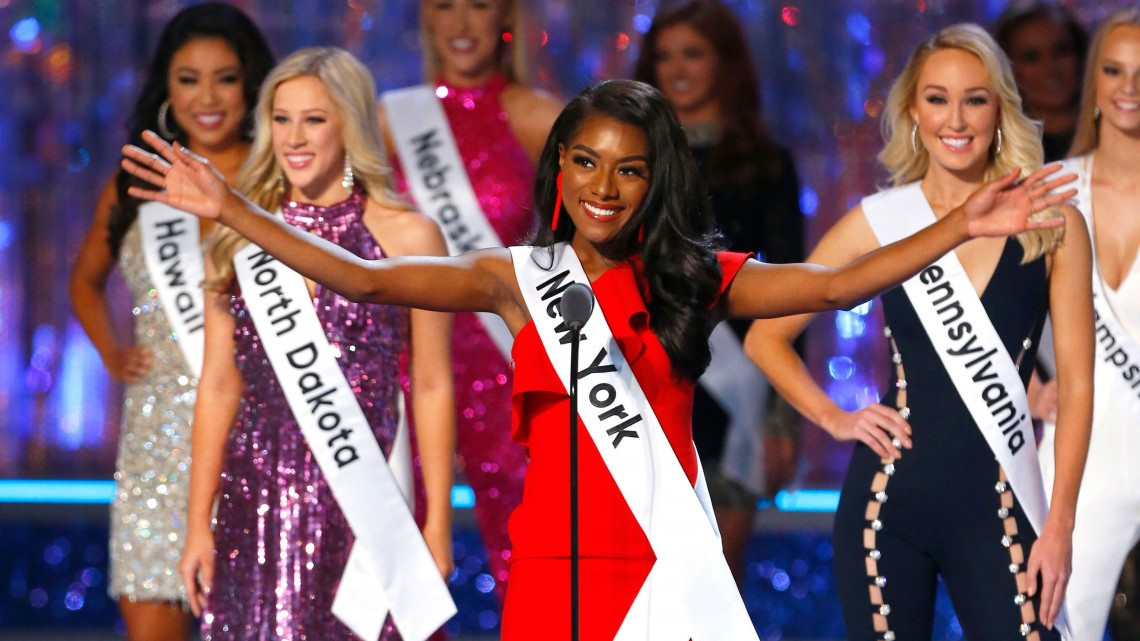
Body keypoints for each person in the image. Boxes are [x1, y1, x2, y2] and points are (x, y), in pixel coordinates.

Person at [121, 78, 1071, 641]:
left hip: (663, 558)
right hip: (549, 563)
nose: (604, 186)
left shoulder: (696, 277)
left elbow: (830, 289)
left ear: (655, 178)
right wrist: (233, 212)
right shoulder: (512, 276)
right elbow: (368, 283)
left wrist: (958, 225)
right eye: (584, 162)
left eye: (628, 167)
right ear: (560, 169)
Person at [745, 24, 1091, 640]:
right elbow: (764, 337)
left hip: (1002, 504)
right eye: (937, 98)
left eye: (975, 99)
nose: (955, 119)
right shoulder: (882, 221)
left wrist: (1060, 525)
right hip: (888, 500)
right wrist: (835, 418)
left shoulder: (1052, 222)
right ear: (912, 111)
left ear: (1000, 110)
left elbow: (1080, 388)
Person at [173, 48, 456, 641]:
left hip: (369, 499)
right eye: (281, 119)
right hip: (258, 500)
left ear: (349, 125)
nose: (294, 138)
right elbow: (220, 385)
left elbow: (430, 383)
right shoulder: (236, 236)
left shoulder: (408, 234)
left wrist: (438, 527)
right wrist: (197, 522)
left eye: (314, 119)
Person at [67, 5, 274, 639]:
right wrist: (112, 353)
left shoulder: (279, 178)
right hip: (158, 445)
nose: (207, 97)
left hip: (259, 441)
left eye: (225, 78)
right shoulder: (135, 184)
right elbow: (84, 281)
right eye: (188, 78)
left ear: (250, 86)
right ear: (166, 87)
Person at [377, 0, 563, 595]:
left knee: (532, 556)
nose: (461, 23)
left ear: (505, 17)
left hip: (509, 364)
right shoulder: (388, 121)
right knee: (400, 554)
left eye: (478, 5)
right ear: (425, 17)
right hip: (405, 363)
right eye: (444, 5)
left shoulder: (543, 120)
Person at [634, 0, 805, 586]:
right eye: (664, 56)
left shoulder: (766, 164)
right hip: (644, 380)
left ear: (725, 64)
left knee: (717, 581)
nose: (677, 69)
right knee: (648, 576)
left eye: (693, 54)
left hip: (737, 394)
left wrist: (784, 417)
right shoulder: (630, 162)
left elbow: (791, 289)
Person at [1032, 10, 1140, 639]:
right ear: (1093, 83)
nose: (1129, 87)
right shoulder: (1053, 192)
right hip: (1082, 454)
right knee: (1053, 626)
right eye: (1113, 69)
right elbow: (992, 300)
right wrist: (1022, 384)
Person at [993, 1, 1088, 163]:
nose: (1051, 69)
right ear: (1008, 68)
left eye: (1061, 50)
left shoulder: (1114, 133)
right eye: (1031, 57)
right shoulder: (998, 150)